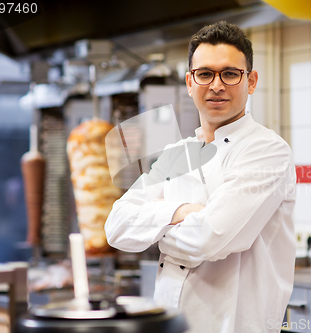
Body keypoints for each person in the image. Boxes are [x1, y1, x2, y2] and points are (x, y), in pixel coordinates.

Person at [105, 21, 296, 333]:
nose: (216, 85)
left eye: (230, 74)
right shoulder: (177, 152)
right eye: (205, 74)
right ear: (190, 82)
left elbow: (209, 238)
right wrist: (181, 212)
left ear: (251, 81)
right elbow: (116, 226)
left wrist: (154, 228)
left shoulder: (266, 150)